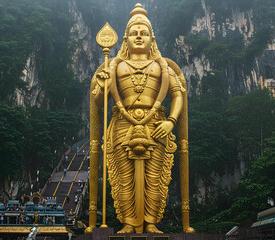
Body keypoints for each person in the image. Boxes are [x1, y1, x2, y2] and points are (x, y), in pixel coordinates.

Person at [88, 4, 193, 234]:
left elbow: (178, 95)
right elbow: (98, 104)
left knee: (154, 178)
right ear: (125, 39)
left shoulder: (162, 66)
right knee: (124, 178)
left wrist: (171, 121)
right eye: (133, 33)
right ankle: (128, 223)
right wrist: (103, 85)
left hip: (156, 124)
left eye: (143, 33)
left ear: (151, 39)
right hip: (122, 124)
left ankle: (152, 223)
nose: (138, 37)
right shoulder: (114, 66)